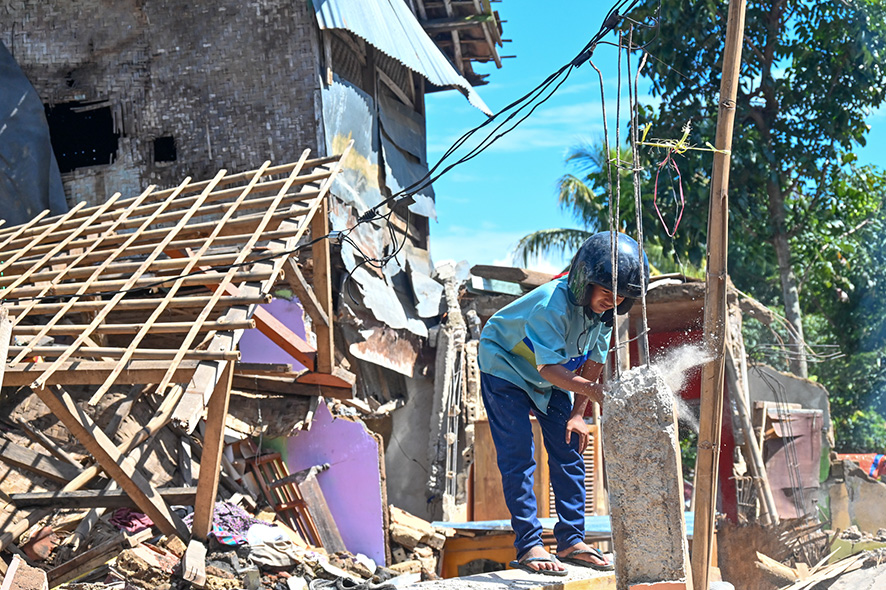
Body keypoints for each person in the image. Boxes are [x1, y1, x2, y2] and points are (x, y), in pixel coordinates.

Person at [478, 231, 648, 576]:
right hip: (505, 368)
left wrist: (577, 415)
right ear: (585, 281)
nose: (612, 300)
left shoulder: (602, 316)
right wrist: (598, 393)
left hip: (550, 380)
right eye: (606, 291)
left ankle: (571, 541)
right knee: (518, 456)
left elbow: (594, 363)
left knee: (569, 450)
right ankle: (529, 545)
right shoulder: (550, 304)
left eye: (621, 297)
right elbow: (549, 368)